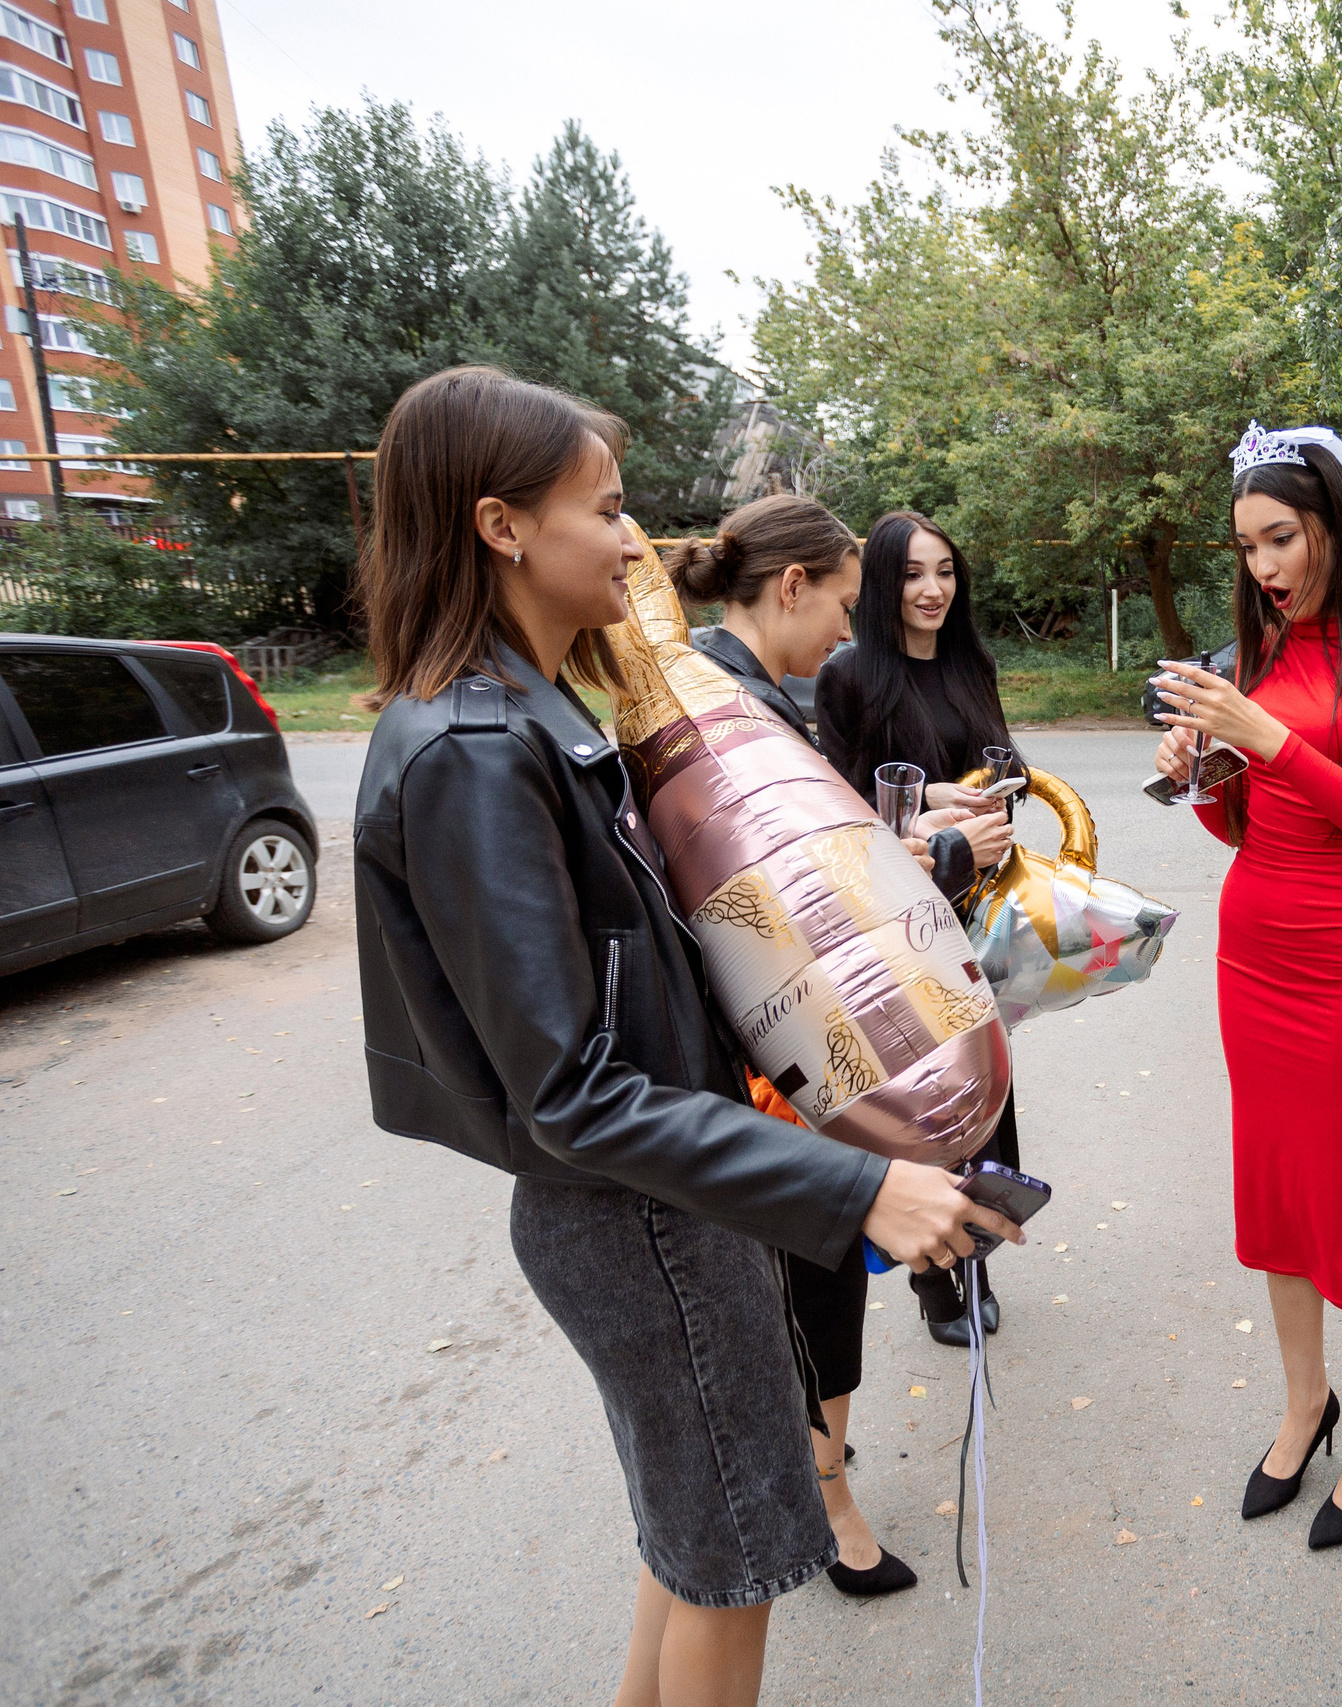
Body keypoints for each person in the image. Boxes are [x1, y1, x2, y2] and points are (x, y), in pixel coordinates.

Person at [351, 367, 1021, 1707]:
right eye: (604, 510)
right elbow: (573, 1091)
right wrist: (857, 1184)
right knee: (735, 1558)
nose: (634, 543)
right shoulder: (478, 750)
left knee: (690, 1548)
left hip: (666, 1203)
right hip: (643, 1220)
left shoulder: (534, 715)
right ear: (500, 526)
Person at [667, 493, 1006, 1602]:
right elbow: (790, 906)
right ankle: (827, 1497)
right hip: (775, 1065)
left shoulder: (742, 690)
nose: (845, 635)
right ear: (796, 586)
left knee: (814, 1279)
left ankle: (818, 1466)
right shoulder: (734, 705)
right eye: (846, 602)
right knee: (815, 1280)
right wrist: (941, 861)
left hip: (774, 1050)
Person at [1151, 422, 1342, 1550]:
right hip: (1253, 956)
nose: (1263, 567)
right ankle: (1302, 1403)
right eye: (1246, 547)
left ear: (1332, 523)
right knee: (1274, 1205)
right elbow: (1246, 824)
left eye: (1280, 538)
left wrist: (1264, 737)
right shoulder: (1258, 653)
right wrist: (1203, 774)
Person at [814, 511, 1023, 1346]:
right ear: (881, 585)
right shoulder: (851, 675)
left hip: (976, 908)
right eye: (911, 574)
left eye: (945, 571)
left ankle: (973, 1252)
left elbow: (1006, 763)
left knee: (984, 1089)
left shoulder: (974, 661)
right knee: (922, 1096)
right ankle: (935, 1278)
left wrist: (993, 792)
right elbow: (833, 806)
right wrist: (935, 802)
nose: (932, 589)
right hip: (897, 921)